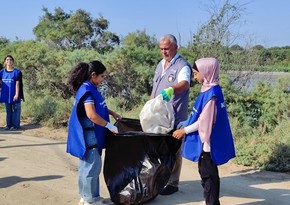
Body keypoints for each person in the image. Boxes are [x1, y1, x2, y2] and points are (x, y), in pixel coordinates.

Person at [172, 57, 236, 205]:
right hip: (206, 143)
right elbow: (199, 114)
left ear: (206, 72)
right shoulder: (210, 89)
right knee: (207, 175)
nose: (195, 77)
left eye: (196, 73)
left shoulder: (211, 95)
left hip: (207, 145)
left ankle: (211, 202)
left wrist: (185, 131)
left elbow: (204, 122)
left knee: (208, 177)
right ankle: (210, 201)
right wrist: (185, 122)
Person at [66, 60, 121, 205]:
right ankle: (91, 200)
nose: (103, 80)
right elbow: (91, 115)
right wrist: (109, 125)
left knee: (87, 166)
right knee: (92, 167)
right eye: (102, 77)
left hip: (90, 134)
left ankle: (86, 197)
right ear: (93, 75)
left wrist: (111, 112)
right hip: (90, 135)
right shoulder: (88, 91)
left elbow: (98, 107)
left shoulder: (89, 87)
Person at [150, 34, 191, 195]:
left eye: (167, 49)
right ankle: (160, 178)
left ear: (175, 48)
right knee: (159, 148)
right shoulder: (161, 64)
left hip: (175, 115)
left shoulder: (182, 66)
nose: (164, 52)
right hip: (158, 115)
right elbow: (155, 88)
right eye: (161, 49)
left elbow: (184, 84)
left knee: (174, 149)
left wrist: (172, 89)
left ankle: (173, 182)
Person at [0, 55, 24, 130]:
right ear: (5, 62)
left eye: (10, 60)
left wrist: (16, 94)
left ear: (13, 61)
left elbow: (17, 84)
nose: (9, 61)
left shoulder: (17, 72)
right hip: (6, 95)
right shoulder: (1, 72)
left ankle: (15, 126)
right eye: (7, 60)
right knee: (8, 110)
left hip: (15, 95)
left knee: (16, 110)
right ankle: (8, 125)